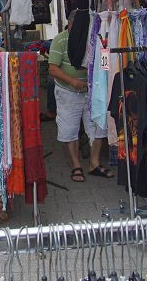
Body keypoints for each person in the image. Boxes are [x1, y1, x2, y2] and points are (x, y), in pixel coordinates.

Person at [48, 10, 113, 182]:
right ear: (69, 24)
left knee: (99, 126)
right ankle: (76, 165)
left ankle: (94, 163)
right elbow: (52, 68)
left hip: (92, 92)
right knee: (70, 130)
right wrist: (72, 81)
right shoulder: (60, 40)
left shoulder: (93, 38)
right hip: (68, 93)